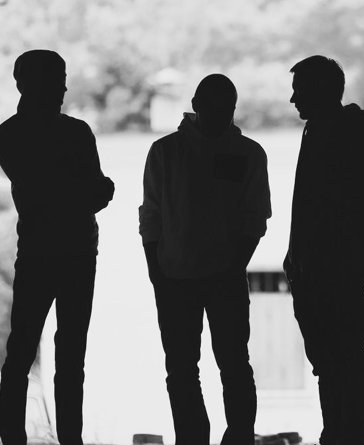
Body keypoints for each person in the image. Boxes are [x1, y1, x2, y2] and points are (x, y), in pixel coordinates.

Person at [139, 74, 271, 445]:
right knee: (227, 365)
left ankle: (210, 437)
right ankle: (228, 437)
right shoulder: (243, 153)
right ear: (197, 105)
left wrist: (157, 268)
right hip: (191, 276)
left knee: (194, 369)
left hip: (183, 275)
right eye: (216, 107)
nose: (220, 114)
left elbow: (151, 216)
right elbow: (255, 219)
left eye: (225, 108)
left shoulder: (169, 151)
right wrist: (158, 270)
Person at [0, 49, 115, 445]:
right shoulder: (76, 133)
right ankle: (70, 439)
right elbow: (97, 192)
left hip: (37, 252)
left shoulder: (8, 135)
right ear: (30, 84)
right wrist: (89, 191)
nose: (64, 87)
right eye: (58, 79)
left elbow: (44, 192)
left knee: (20, 352)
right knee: (69, 356)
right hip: (79, 251)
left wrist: (76, 191)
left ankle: (12, 437)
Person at [283, 55, 364, 445]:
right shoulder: (331, 132)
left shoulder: (340, 137)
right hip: (321, 269)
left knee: (344, 358)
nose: (293, 99)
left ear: (320, 91)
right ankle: (339, 434)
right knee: (335, 360)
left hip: (334, 271)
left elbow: (339, 213)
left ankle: (347, 435)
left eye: (299, 90)